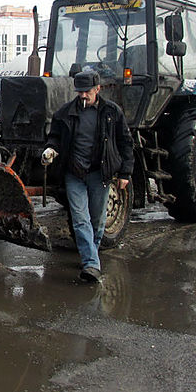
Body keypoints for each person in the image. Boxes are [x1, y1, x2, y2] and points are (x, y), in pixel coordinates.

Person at [42, 70, 133, 283]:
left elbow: (125, 142)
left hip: (99, 173)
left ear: (98, 89)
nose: (83, 95)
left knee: (98, 220)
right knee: (80, 219)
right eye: (80, 91)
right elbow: (54, 137)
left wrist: (125, 172)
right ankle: (91, 263)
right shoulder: (65, 113)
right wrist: (50, 149)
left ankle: (91, 251)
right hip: (74, 173)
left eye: (87, 91)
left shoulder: (111, 112)